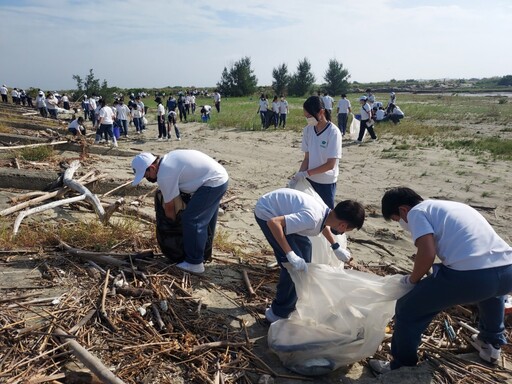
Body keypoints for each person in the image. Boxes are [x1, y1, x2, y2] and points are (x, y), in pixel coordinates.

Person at [369, 187, 512, 374]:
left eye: (397, 220)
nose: (402, 224)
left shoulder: (417, 213)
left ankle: (401, 365)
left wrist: (412, 281)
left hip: (471, 278)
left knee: (407, 308)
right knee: (493, 294)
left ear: (403, 210)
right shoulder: (453, 207)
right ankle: (491, 344)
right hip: (507, 271)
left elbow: (427, 253)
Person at [255, 188, 365, 322]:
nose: (344, 232)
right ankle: (277, 312)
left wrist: (336, 247)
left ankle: (293, 301)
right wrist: (290, 254)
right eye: (348, 230)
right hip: (267, 213)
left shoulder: (327, 214)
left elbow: (323, 225)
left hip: (283, 212)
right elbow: (273, 223)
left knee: (305, 255)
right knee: (292, 268)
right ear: (342, 225)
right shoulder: (312, 217)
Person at [131, 150, 229, 274]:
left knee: (192, 219)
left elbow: (170, 207)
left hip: (213, 182)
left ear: (152, 167)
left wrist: (171, 227)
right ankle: (204, 253)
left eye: (146, 175)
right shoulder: (168, 159)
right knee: (205, 220)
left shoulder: (164, 175)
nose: (147, 179)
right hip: (218, 177)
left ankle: (195, 263)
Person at [290, 95, 342, 209]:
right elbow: (307, 158)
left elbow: (330, 164)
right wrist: (299, 176)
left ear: (321, 112)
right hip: (310, 181)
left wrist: (307, 173)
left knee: (326, 215)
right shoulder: (308, 130)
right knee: (310, 211)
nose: (308, 118)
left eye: (310, 115)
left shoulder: (333, 132)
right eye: (306, 116)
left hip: (326, 182)